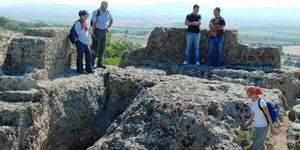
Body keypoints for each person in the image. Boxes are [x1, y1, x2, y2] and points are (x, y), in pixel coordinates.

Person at [244, 86, 276, 150]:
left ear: (254, 94)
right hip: (257, 126)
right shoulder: (253, 102)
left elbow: (268, 115)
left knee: (255, 147)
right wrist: (248, 121)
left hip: (263, 127)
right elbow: (253, 114)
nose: (249, 97)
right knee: (260, 143)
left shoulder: (261, 102)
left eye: (249, 95)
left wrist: (272, 127)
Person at [91, 1, 113, 69]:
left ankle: (100, 63)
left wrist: (108, 26)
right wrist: (93, 32)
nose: (106, 7)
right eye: (105, 6)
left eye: (107, 6)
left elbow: (111, 20)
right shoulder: (96, 12)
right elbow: (94, 23)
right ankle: (91, 64)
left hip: (104, 32)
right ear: (101, 5)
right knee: (95, 48)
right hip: (97, 31)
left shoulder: (107, 12)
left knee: (102, 48)